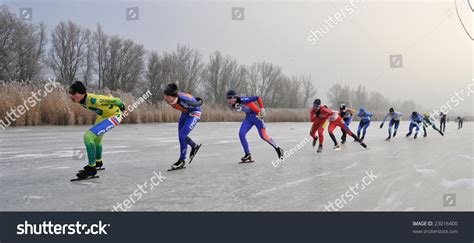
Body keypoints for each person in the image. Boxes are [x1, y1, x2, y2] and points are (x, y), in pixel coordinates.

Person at [68, 81, 125, 179]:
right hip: (104, 116)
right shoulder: (80, 100)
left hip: (114, 116)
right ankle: (98, 162)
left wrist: (122, 107)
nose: (72, 96)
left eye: (74, 93)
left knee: (88, 136)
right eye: (70, 93)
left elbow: (115, 100)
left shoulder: (93, 100)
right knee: (96, 139)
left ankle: (91, 169)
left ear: (81, 93)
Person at [226, 90, 284, 163]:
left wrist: (262, 109)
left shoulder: (242, 99)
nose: (228, 101)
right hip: (249, 118)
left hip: (257, 117)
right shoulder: (234, 104)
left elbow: (258, 97)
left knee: (263, 136)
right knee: (241, 134)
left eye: (228, 99)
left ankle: (278, 149)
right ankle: (247, 154)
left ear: (233, 98)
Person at [164, 83, 202, 170]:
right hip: (185, 113)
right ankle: (194, 146)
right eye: (165, 95)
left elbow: (196, 103)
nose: (165, 98)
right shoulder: (172, 97)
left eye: (167, 96)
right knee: (181, 136)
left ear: (172, 96)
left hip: (194, 113)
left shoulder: (183, 100)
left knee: (182, 135)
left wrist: (199, 101)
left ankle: (182, 161)